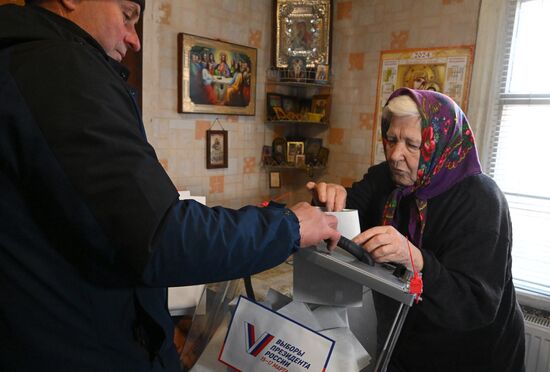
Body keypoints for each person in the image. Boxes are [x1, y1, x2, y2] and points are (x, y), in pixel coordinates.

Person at [0, 1, 340, 371]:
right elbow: (161, 236)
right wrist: (288, 225)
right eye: (128, 15)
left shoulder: (20, 60)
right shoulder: (59, 67)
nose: (134, 40)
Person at [307, 88, 525, 372]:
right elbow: (351, 207)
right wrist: (329, 198)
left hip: (475, 353)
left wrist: (417, 259)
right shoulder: (385, 178)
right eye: (392, 139)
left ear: (442, 144)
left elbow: (476, 304)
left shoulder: (481, 199)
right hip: (408, 339)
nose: (396, 155)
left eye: (412, 145)